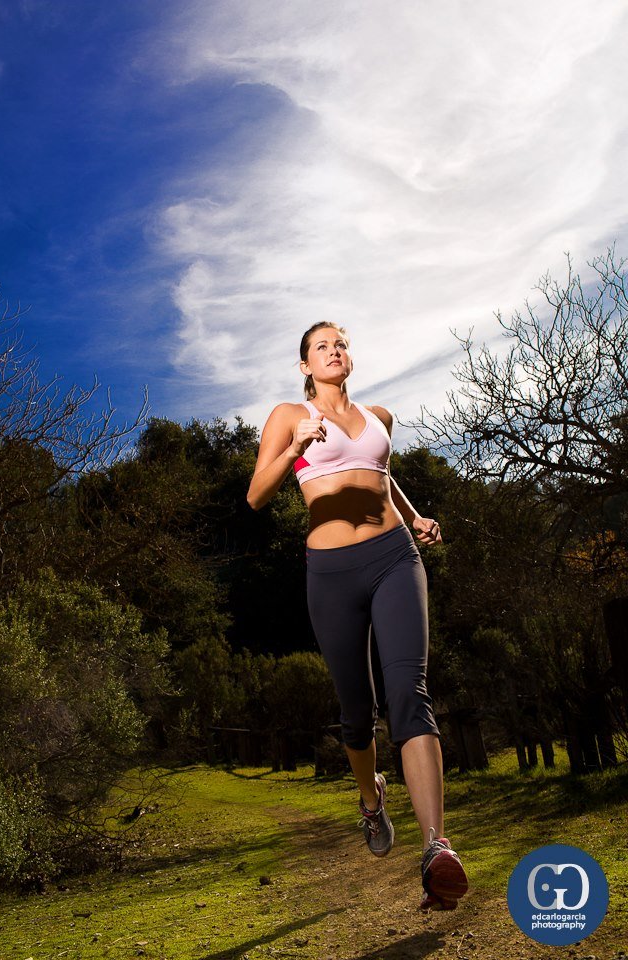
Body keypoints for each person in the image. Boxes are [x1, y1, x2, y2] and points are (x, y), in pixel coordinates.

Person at [247, 321, 468, 911]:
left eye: (341, 343)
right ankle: (370, 797)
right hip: (331, 573)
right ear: (304, 366)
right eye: (322, 346)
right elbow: (256, 493)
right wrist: (295, 448)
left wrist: (416, 518)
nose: (335, 351)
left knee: (409, 693)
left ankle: (436, 849)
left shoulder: (379, 417)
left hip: (396, 557)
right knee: (357, 712)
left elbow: (384, 479)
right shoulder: (288, 416)